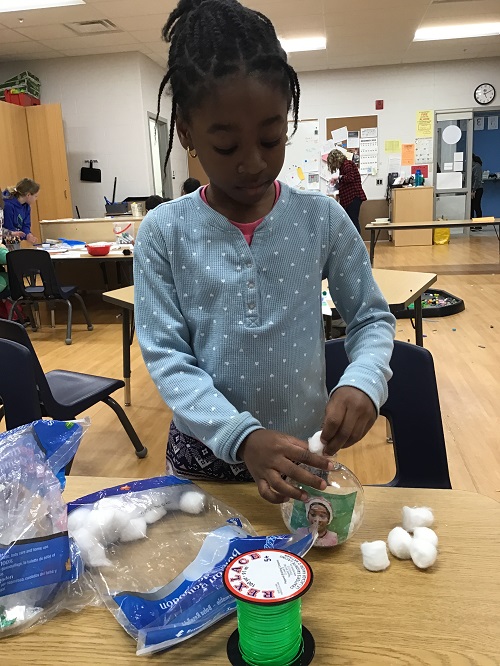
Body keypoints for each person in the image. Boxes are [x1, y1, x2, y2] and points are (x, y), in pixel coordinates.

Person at [134, 0, 395, 505]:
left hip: (303, 459)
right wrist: (243, 438)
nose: (253, 163)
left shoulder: (321, 219)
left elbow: (370, 318)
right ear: (187, 133)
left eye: (271, 138)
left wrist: (363, 381)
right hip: (202, 467)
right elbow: (168, 358)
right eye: (227, 147)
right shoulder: (163, 232)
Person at [327, 149, 367, 233]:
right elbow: (346, 181)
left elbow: (350, 178)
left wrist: (339, 178)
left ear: (335, 159)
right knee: (351, 222)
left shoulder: (347, 164)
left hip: (353, 197)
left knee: (353, 221)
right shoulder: (344, 166)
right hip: (351, 198)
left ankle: (357, 244)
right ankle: (354, 243)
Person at [2, 178, 39, 245]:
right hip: (5, 240)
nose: (36, 199)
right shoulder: (8, 205)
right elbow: (8, 227)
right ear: (28, 195)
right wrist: (17, 235)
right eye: (35, 196)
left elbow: (26, 224)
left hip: (15, 239)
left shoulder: (26, 206)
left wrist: (28, 235)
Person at [470, 154, 484, 231]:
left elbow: (477, 179)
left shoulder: (477, 167)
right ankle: (471, 224)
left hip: (477, 189)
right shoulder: (472, 167)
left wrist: (473, 190)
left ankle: (479, 224)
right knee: (471, 207)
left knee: (476, 206)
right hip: (474, 189)